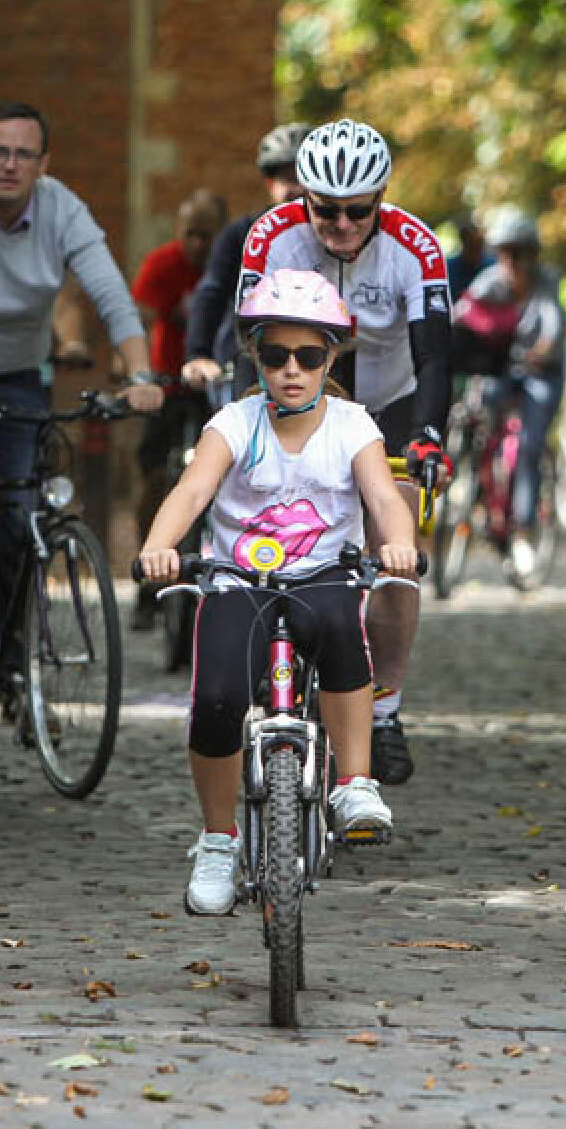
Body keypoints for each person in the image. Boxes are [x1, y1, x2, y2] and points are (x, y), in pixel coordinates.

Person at [135, 271, 419, 914]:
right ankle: (218, 840)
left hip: (324, 574)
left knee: (343, 630)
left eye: (308, 356)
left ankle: (354, 782)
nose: (291, 370)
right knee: (216, 696)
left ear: (331, 358)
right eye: (275, 355)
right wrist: (160, 545)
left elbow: (383, 498)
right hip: (238, 581)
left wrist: (397, 544)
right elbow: (191, 492)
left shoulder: (353, 426)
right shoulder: (233, 424)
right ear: (255, 356)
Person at [184, 119, 451, 786]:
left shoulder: (415, 246)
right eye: (325, 210)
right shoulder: (271, 235)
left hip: (390, 397)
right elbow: (248, 344)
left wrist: (428, 436)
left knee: (395, 545)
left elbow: (435, 356)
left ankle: (383, 710)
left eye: (358, 211)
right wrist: (244, 432)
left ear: (380, 199)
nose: (340, 225)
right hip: (299, 385)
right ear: (304, 197)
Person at [0, 102, 164, 626]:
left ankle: (12, 652)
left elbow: (111, 295)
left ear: (44, 164)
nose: (10, 164)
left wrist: (140, 375)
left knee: (20, 509)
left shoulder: (63, 210)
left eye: (23, 154)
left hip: (18, 372)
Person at [128, 186, 229, 629]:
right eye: (190, 234)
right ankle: (147, 581)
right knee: (153, 476)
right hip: (167, 385)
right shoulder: (162, 264)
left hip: (215, 387)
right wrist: (133, 370)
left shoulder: (233, 266)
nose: (198, 245)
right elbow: (140, 317)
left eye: (208, 235)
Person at [453, 206, 565, 578]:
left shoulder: (546, 283)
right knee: (478, 408)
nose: (512, 261)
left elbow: (552, 329)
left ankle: (522, 529)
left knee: (530, 444)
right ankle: (477, 494)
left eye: (520, 253)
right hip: (501, 369)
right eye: (505, 253)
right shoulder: (489, 281)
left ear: (533, 254)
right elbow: (461, 313)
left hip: (540, 372)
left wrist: (540, 351)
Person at [181, 123, 310, 409]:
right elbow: (212, 292)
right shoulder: (243, 233)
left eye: (302, 178)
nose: (296, 189)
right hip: (249, 360)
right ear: (270, 184)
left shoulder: (336, 234)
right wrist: (198, 354)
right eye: (286, 179)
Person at [444, 214, 492, 301]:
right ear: (464, 244)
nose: (475, 253)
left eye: (479, 247)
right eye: (471, 247)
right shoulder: (449, 268)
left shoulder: (491, 267)